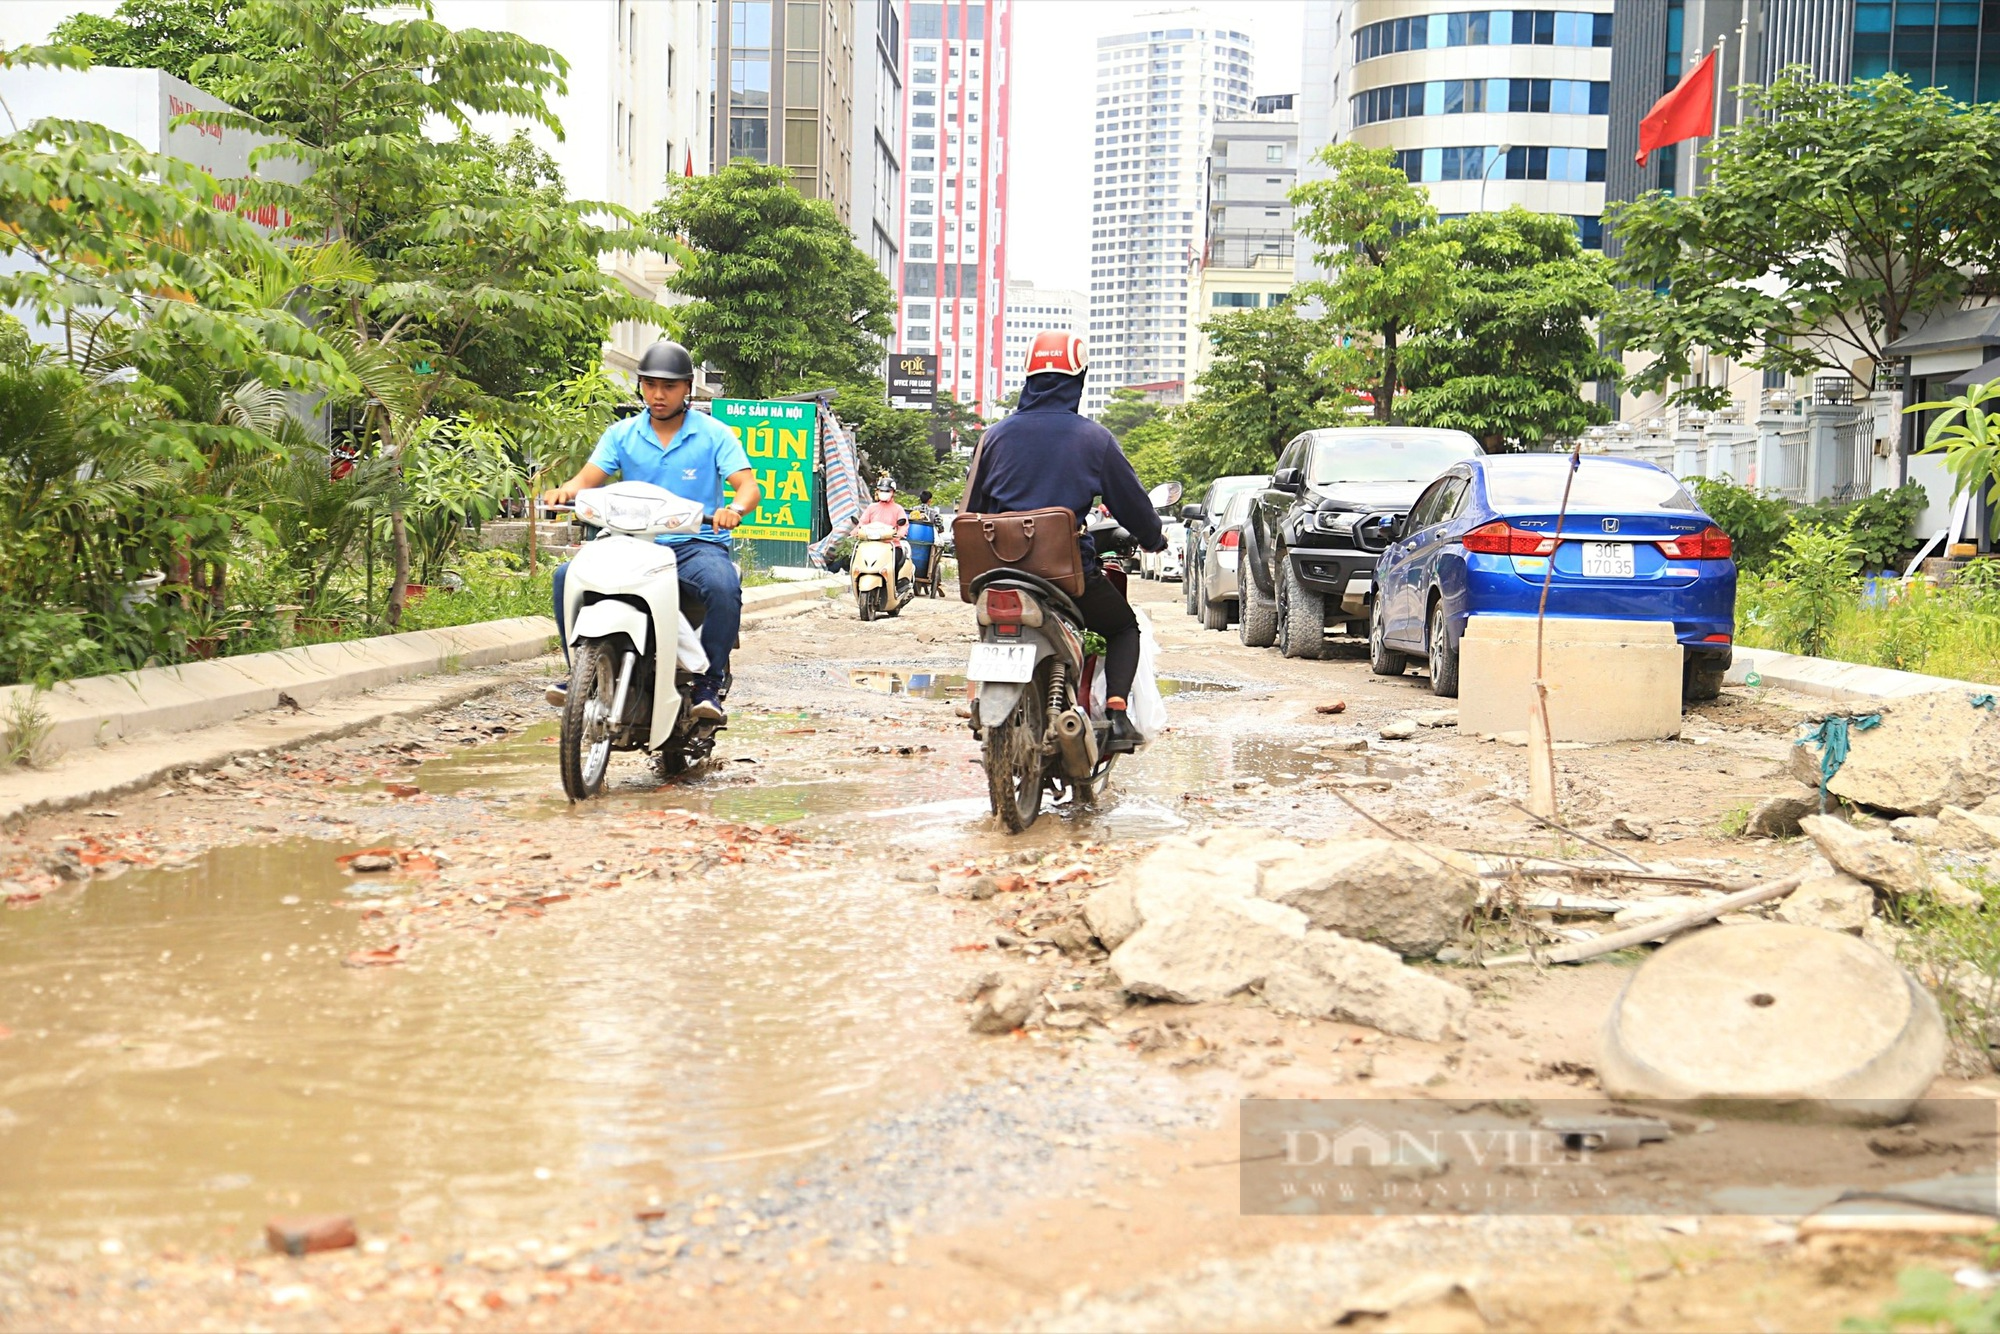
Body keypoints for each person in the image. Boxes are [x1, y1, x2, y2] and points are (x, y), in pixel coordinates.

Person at [964, 331, 1164, 753]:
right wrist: (1153, 538)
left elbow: (971, 510)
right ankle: (1116, 713)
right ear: (1078, 380)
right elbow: (1134, 506)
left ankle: (978, 699)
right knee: (1123, 626)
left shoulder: (994, 437)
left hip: (1001, 574)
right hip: (1065, 576)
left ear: (1030, 378)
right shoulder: (1093, 439)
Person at [541, 340, 761, 723]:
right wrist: (565, 491)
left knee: (724, 586)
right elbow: (585, 480)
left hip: (695, 544)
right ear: (640, 385)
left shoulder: (714, 434)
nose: (658, 395)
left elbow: (748, 486)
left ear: (687, 388)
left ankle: (708, 683)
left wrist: (733, 509)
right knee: (565, 577)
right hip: (629, 544)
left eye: (669, 386)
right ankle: (579, 670)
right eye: (650, 385)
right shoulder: (621, 434)